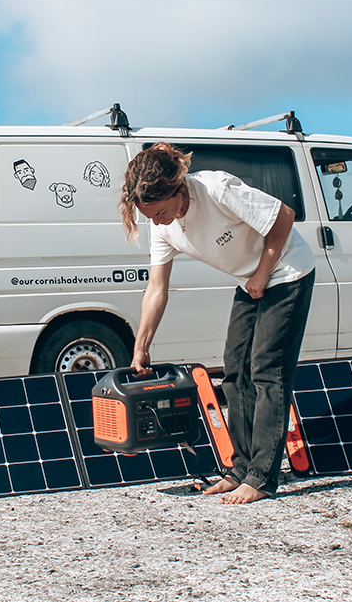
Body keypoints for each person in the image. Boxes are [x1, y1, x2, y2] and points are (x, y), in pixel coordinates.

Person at [118, 143, 315, 504]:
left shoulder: (216, 189)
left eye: (160, 212)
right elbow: (156, 288)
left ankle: (262, 477)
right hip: (251, 280)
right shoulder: (163, 228)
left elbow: (284, 216)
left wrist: (262, 274)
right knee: (235, 371)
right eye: (148, 216)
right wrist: (141, 345)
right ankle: (240, 469)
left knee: (267, 369)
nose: (156, 221)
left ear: (178, 190)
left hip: (287, 271)